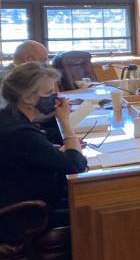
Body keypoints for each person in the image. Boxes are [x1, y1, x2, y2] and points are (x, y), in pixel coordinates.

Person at [0, 63, 88, 217]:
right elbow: (76, 165)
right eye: (49, 92)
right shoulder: (20, 133)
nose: (56, 98)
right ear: (27, 98)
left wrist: (53, 153)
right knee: (93, 209)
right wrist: (65, 121)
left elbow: (30, 156)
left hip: (24, 199)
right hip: (25, 215)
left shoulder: (8, 117)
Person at [0, 40, 50, 109]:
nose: (45, 65)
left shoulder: (23, 75)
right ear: (29, 59)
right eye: (43, 60)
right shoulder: (11, 79)